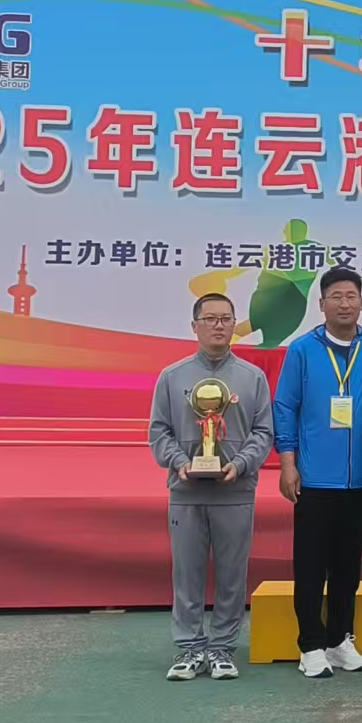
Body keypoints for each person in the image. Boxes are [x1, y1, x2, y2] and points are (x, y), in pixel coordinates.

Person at [273, 266, 362, 679]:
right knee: (310, 566)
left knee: (348, 565)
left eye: (351, 296)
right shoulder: (302, 350)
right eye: (336, 297)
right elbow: (285, 406)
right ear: (321, 304)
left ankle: (340, 639)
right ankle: (310, 644)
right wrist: (287, 462)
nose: (344, 303)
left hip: (361, 477)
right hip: (314, 477)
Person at [149, 292, 274, 682]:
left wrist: (241, 464)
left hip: (235, 491)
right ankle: (189, 648)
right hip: (186, 491)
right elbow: (158, 431)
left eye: (226, 319)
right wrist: (180, 463)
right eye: (210, 319)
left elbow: (263, 432)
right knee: (187, 573)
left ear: (234, 325)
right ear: (195, 326)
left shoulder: (252, 378)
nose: (219, 326)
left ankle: (222, 648)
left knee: (232, 575)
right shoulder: (172, 377)